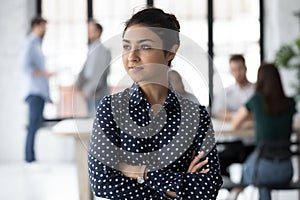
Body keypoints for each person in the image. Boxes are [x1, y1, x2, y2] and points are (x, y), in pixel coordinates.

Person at [88, 7, 222, 199]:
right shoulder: (110, 109)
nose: (132, 56)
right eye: (126, 46)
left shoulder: (196, 115)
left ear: (170, 53)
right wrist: (178, 187)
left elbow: (208, 189)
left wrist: (139, 172)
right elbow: (102, 183)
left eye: (145, 46)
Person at [228, 63, 297, 200]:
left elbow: (235, 123)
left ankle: (234, 194)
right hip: (287, 171)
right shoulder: (290, 102)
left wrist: (255, 120)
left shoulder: (256, 100)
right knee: (261, 178)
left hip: (262, 170)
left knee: (250, 170)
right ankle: (235, 194)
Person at [213, 54, 255, 177]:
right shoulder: (227, 92)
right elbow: (219, 112)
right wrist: (239, 116)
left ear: (246, 68)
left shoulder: (256, 90)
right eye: (234, 70)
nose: (237, 73)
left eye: (240, 69)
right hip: (234, 142)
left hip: (253, 143)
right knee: (216, 162)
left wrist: (238, 116)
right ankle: (234, 189)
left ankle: (238, 189)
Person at [20, 16, 54, 163]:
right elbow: (25, 66)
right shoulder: (30, 43)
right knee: (33, 126)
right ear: (36, 26)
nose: (45, 30)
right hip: (34, 92)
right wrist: (45, 74)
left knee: (35, 125)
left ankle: (31, 158)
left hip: (39, 92)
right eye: (44, 26)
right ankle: (29, 159)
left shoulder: (37, 44)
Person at [75, 20, 111, 117]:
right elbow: (85, 70)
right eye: (88, 30)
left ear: (98, 32)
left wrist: (87, 90)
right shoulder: (91, 49)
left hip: (97, 93)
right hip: (89, 90)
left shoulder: (104, 51)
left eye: (92, 30)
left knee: (97, 123)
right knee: (91, 121)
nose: (89, 33)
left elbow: (100, 76)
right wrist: (78, 85)